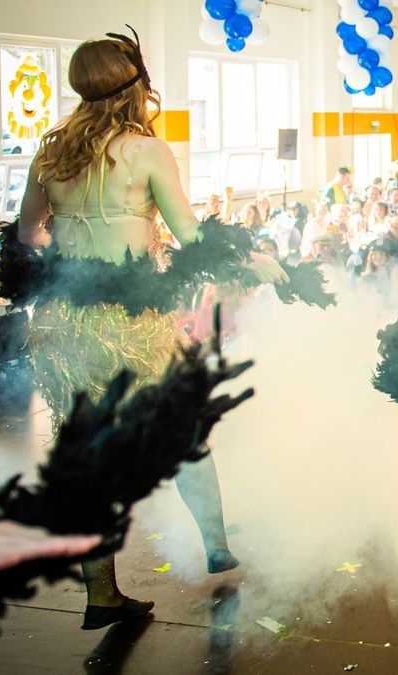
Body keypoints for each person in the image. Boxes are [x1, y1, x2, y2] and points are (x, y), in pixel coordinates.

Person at [17, 29, 286, 631]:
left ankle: (102, 594)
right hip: (129, 323)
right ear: (135, 85)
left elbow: (26, 233)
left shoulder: (51, 152)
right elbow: (192, 238)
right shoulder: (144, 150)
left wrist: (65, 264)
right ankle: (215, 539)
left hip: (65, 325)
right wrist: (252, 261)